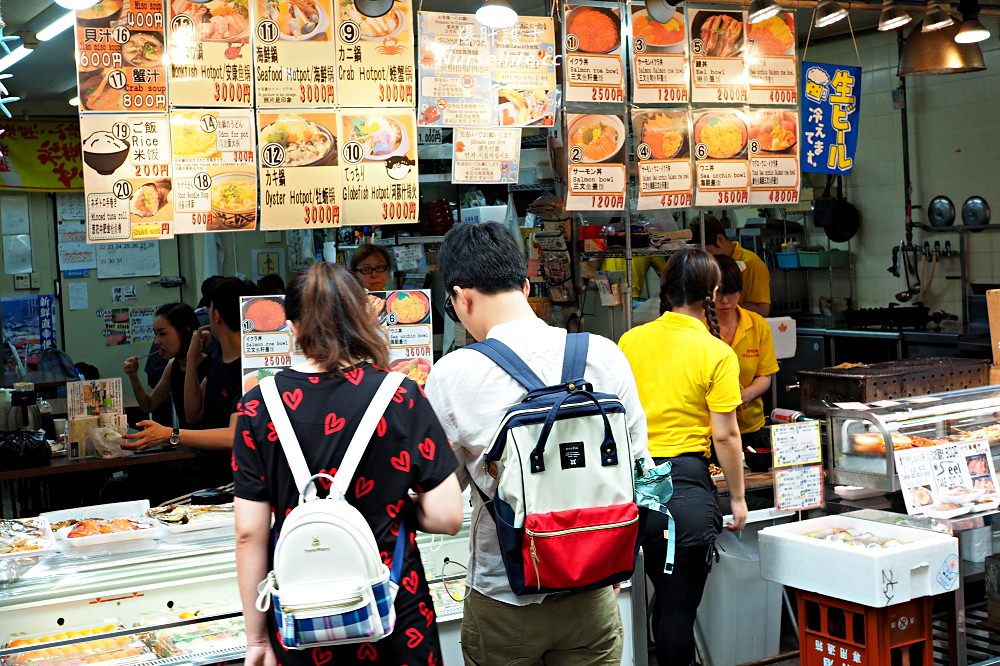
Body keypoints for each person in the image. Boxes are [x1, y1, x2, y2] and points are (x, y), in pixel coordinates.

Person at [424, 221, 650, 666]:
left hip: (503, 597)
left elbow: (442, 499)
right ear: (525, 285)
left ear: (460, 297)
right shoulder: (604, 354)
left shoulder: (453, 374)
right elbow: (641, 470)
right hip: (593, 586)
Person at [232, 262, 463, 666]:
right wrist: (393, 505)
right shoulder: (402, 395)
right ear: (363, 319)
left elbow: (249, 533)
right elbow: (447, 517)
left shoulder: (257, 406)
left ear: (292, 330)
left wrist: (256, 640)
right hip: (393, 614)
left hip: (301, 622)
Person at [618, 249, 747, 666]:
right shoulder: (716, 352)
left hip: (632, 487)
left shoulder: (630, 340)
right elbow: (725, 434)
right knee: (676, 611)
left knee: (646, 607)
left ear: (666, 287)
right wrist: (739, 499)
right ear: (712, 292)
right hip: (684, 492)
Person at [124, 278, 258, 488]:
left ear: (215, 315)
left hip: (226, 476)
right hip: (203, 464)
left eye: (162, 334)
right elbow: (192, 414)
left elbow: (234, 435)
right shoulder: (221, 363)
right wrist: (191, 356)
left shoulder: (249, 370)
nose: (158, 341)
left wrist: (170, 435)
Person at [714, 254, 780, 472]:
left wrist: (748, 394)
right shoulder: (698, 327)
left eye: (731, 293)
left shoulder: (756, 324)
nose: (725, 300)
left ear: (740, 292)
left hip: (751, 428)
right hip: (710, 431)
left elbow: (765, 375)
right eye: (719, 293)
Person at [122, 303, 209, 429]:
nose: (156, 341)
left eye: (162, 334)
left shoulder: (209, 367)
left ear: (185, 332)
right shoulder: (173, 366)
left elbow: (194, 420)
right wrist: (133, 376)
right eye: (156, 334)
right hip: (185, 443)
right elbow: (149, 406)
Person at [692, 215, 771, 316]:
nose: (707, 259)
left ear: (719, 240)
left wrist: (721, 305)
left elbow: (763, 310)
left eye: (708, 252)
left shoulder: (751, 264)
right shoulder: (711, 265)